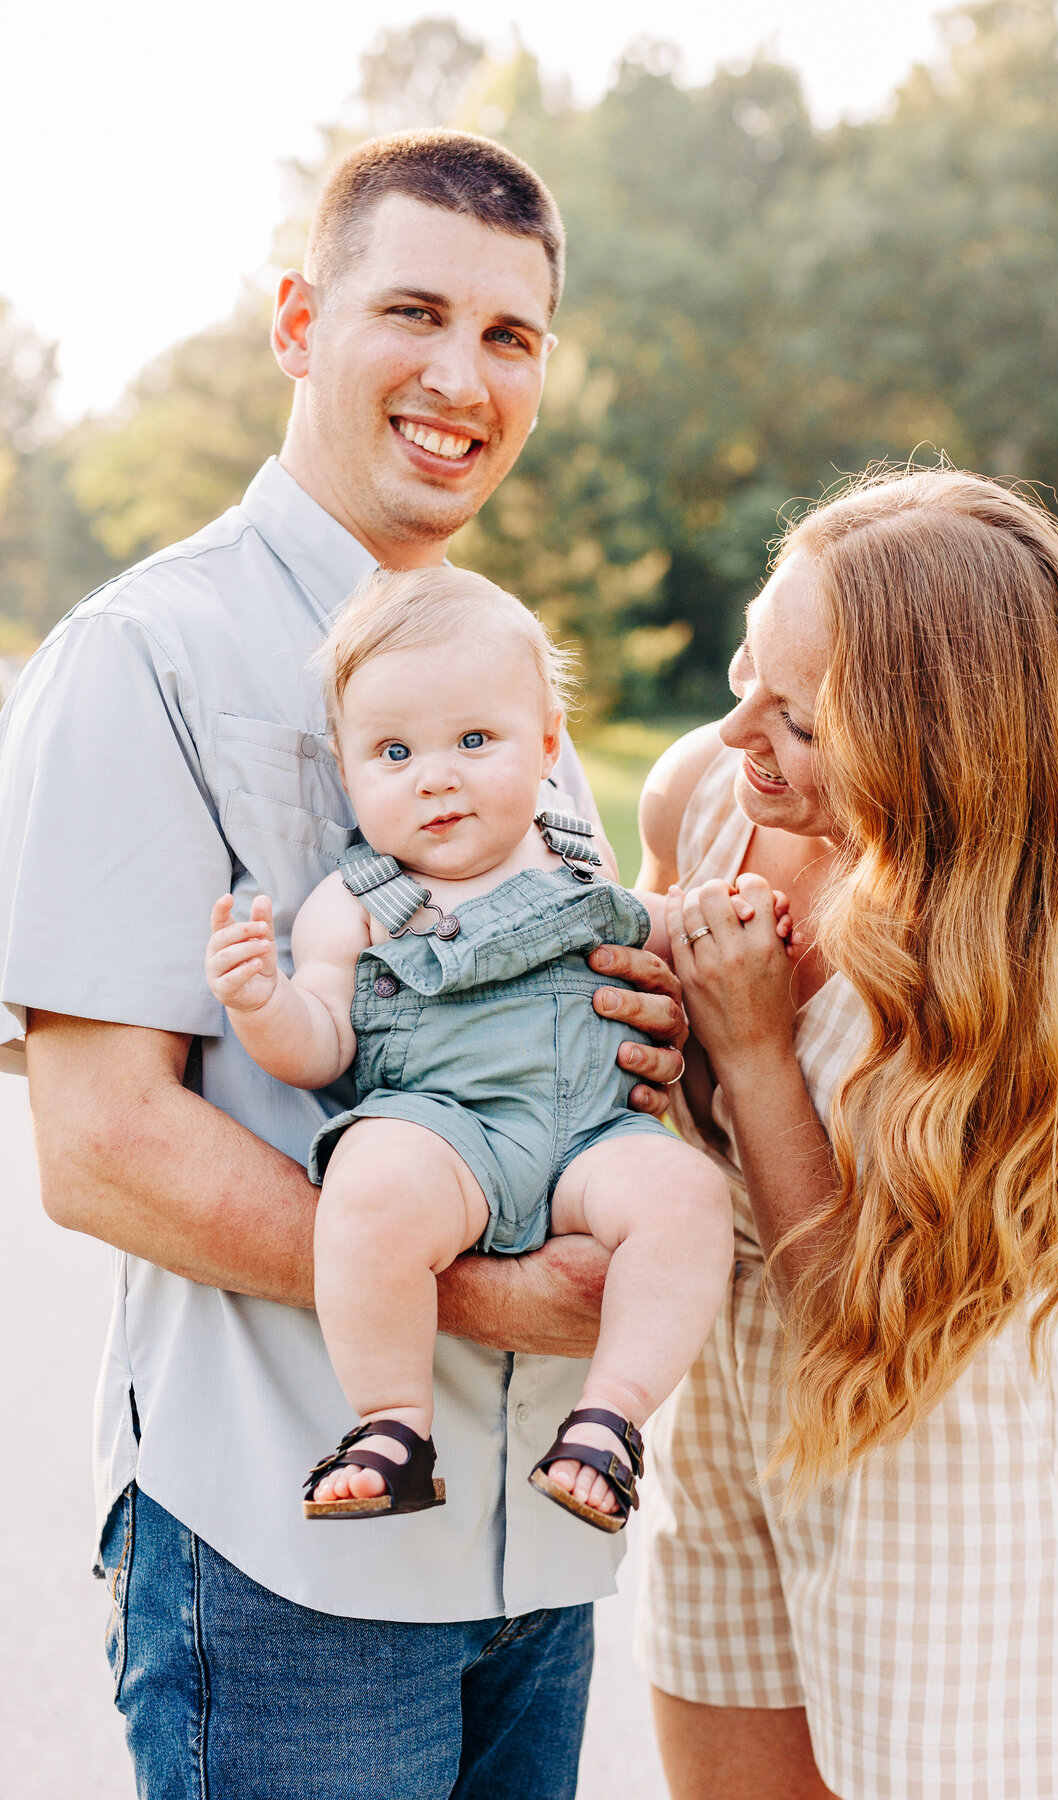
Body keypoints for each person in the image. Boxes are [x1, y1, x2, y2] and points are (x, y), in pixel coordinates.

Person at [0, 131, 688, 1799]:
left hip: (539, 1567)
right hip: (283, 1566)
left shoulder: (515, 680)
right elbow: (103, 1154)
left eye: (512, 337)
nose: (463, 378)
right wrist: (493, 1295)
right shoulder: (145, 657)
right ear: (302, 319)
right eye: (415, 313)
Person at [634, 467, 1058, 1800]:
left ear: (936, 753)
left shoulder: (984, 956)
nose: (738, 728)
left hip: (928, 1424)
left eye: (797, 719)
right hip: (731, 1385)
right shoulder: (705, 801)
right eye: (748, 666)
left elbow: (853, 1303)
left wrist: (751, 1047)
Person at [205, 566, 734, 1529]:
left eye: (474, 741)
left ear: (546, 747)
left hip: (586, 1137)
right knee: (368, 1184)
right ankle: (393, 1427)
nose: (435, 775)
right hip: (448, 1134)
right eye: (394, 751)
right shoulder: (357, 902)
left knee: (690, 1197)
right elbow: (322, 1040)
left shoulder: (575, 853)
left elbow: (632, 931)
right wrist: (261, 1002)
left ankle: (609, 1422)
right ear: (347, 765)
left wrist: (705, 924)